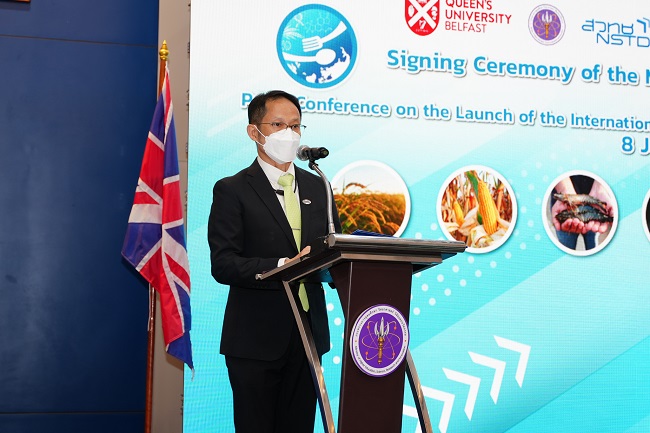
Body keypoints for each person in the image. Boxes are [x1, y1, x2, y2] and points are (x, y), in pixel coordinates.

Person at [207, 90, 341, 433]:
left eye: (295, 126)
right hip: (255, 338)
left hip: (308, 335)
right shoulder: (232, 189)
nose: (289, 134)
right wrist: (283, 264)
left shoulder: (319, 187)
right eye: (278, 125)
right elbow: (224, 263)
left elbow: (335, 252)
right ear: (254, 132)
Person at [550, 175, 614, 251]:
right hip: (563, 187)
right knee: (566, 245)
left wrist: (600, 187)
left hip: (591, 191)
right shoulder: (566, 207)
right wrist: (563, 188)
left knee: (591, 242)